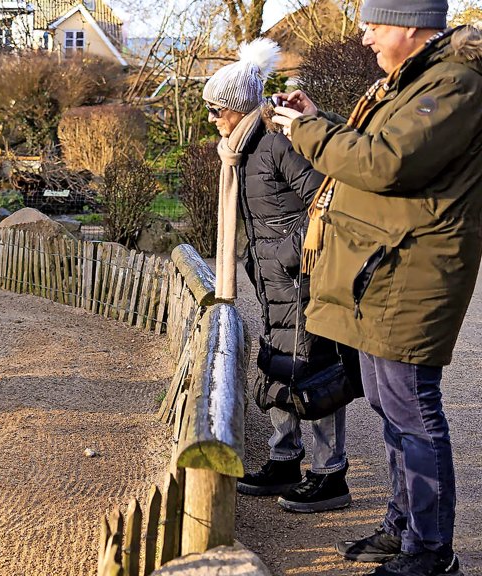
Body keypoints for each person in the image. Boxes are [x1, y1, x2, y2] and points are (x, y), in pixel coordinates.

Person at [272, 1, 482, 574]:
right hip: (385, 267)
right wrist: (320, 117)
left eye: (372, 25)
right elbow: (378, 148)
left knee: (414, 414)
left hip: (412, 271)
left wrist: (308, 130)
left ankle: (431, 553)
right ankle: (403, 526)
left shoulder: (457, 83)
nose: (363, 37)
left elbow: (386, 163)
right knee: (393, 412)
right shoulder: (416, 80)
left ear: (409, 24)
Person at [202, 38, 353, 513]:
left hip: (301, 279)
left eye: (214, 111)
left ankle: (332, 475)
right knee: (279, 364)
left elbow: (326, 202)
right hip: (274, 281)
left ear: (235, 108)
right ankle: (285, 459)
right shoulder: (241, 150)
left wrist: (286, 254)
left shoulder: (274, 145)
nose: (211, 121)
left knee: (316, 369)